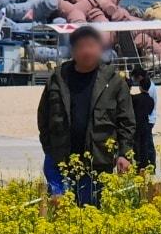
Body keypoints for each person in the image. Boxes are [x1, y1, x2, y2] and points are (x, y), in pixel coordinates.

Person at [37, 25, 134, 207]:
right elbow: (43, 116)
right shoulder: (58, 78)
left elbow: (127, 122)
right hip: (60, 159)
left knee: (89, 212)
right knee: (59, 212)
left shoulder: (114, 82)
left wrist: (124, 154)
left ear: (100, 49)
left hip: (97, 163)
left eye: (91, 46)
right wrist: (49, 148)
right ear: (73, 50)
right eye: (81, 46)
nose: (86, 51)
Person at [131, 68, 157, 171]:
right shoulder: (150, 85)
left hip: (147, 119)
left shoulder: (149, 89)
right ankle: (148, 164)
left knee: (147, 144)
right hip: (149, 117)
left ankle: (148, 164)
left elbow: (143, 104)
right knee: (146, 143)